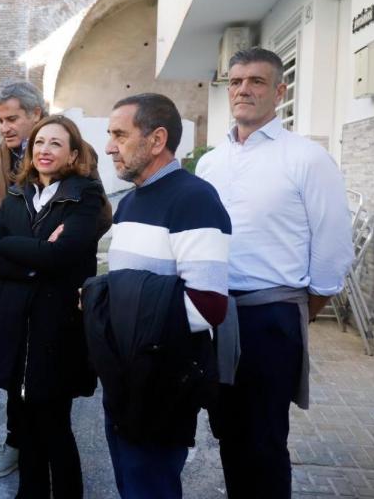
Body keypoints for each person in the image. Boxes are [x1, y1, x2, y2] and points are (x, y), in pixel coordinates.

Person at [197, 48, 352, 499]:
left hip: (272, 318)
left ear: (280, 92)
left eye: (257, 82)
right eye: (237, 81)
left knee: (264, 441)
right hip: (215, 314)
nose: (244, 89)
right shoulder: (211, 162)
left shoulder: (306, 158)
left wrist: (298, 313)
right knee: (226, 431)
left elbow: (332, 249)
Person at [102, 93, 231, 498]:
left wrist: (120, 310)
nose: (109, 146)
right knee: (131, 482)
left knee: (150, 486)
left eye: (120, 135)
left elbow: (209, 305)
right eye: (110, 135)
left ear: (157, 140)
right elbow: (130, 285)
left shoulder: (194, 199)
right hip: (124, 376)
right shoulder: (130, 202)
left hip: (161, 382)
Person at [0, 80, 112, 480]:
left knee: (52, 413)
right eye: (0, 120)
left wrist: (44, 252)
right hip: (19, 296)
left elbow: (84, 231)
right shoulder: (5, 164)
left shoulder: (81, 181)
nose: (5, 128)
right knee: (20, 397)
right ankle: (16, 447)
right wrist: (33, 259)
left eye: (12, 118)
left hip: (56, 309)